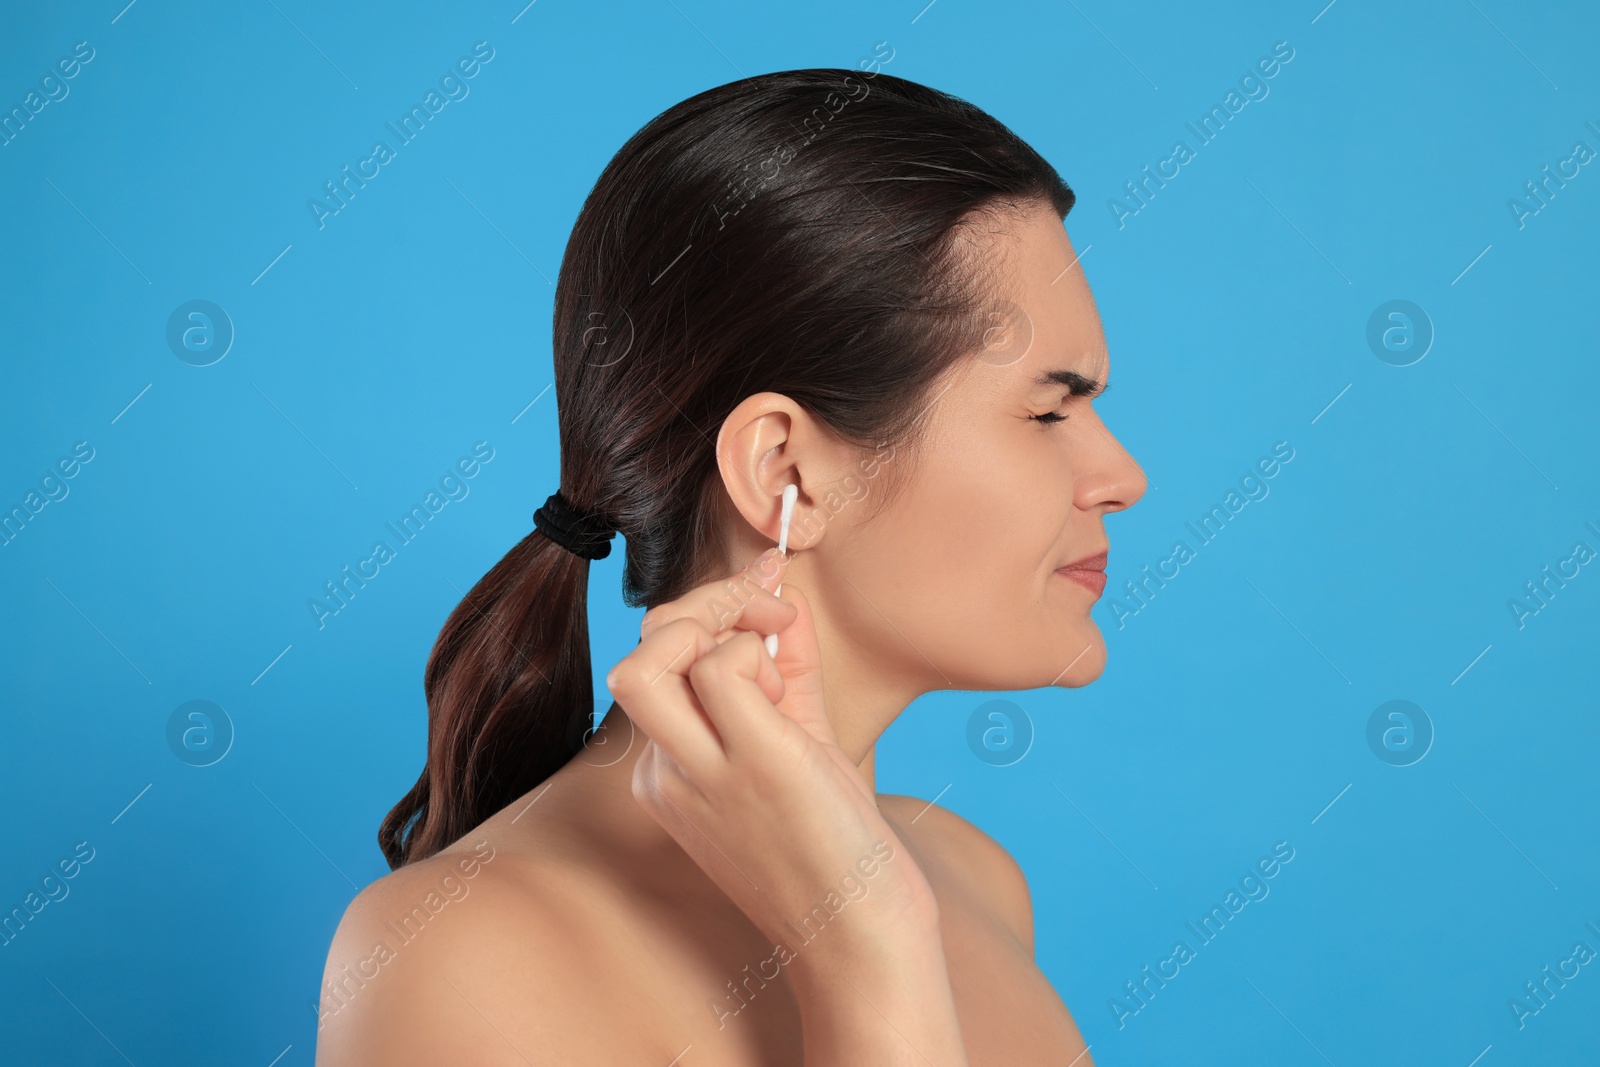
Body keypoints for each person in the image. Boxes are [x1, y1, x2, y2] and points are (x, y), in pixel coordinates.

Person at [315, 65, 1145, 1065]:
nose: (1121, 475)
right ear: (784, 467)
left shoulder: (971, 877)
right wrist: (861, 948)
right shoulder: (461, 953)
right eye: (1049, 410)